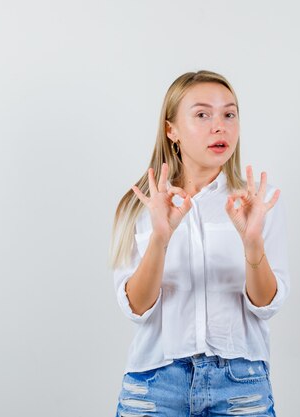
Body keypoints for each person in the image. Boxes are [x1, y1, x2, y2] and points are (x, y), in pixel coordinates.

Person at [109, 70, 290, 417]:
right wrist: (160, 238)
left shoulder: (259, 202)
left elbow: (266, 304)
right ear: (171, 130)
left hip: (240, 386)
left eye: (229, 114)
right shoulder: (140, 206)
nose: (219, 126)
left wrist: (252, 243)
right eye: (202, 114)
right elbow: (135, 306)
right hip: (154, 385)